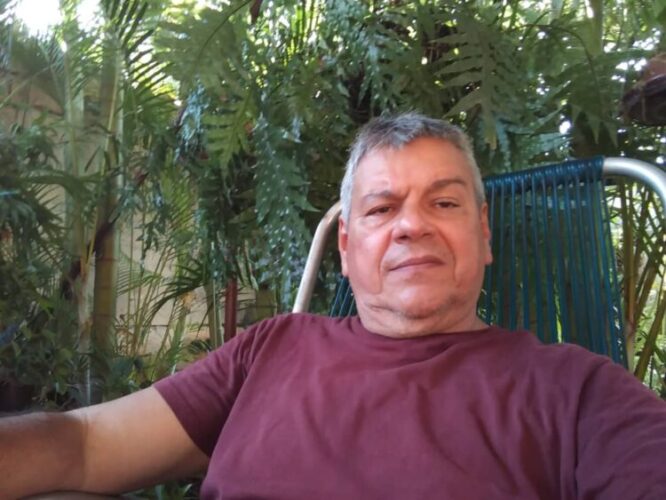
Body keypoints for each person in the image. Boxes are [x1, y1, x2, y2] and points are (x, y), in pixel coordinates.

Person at [2, 113, 665, 499]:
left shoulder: (579, 392)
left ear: (484, 234)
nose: (412, 226)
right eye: (382, 208)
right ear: (345, 247)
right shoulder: (271, 349)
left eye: (444, 202)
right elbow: (84, 445)